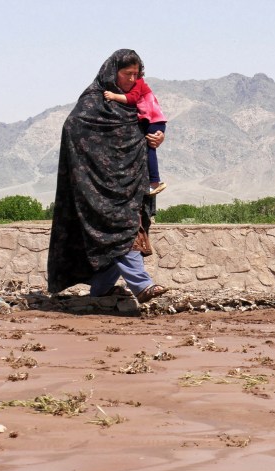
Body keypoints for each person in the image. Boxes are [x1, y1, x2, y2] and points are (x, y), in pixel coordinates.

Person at [47, 49, 167, 304]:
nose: (132, 79)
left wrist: (158, 135)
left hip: (131, 182)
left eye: (137, 74)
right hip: (97, 187)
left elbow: (152, 121)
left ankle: (101, 289)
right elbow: (73, 128)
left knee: (124, 234)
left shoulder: (137, 98)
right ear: (112, 72)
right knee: (122, 232)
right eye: (127, 74)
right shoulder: (93, 101)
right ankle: (142, 285)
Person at [104, 76, 168, 196]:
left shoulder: (138, 83)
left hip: (153, 121)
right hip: (153, 121)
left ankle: (154, 182)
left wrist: (113, 96)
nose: (131, 78)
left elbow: (132, 98)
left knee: (149, 149)